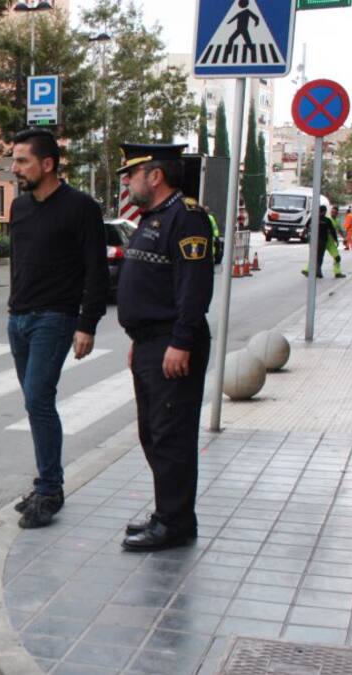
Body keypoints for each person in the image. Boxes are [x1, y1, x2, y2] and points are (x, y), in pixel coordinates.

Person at [6, 128, 108, 529]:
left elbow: (95, 270)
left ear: (47, 164)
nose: (15, 169)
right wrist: (12, 310)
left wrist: (87, 323)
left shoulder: (81, 207)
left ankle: (50, 489)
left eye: (22, 161)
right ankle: (46, 481)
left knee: (38, 399)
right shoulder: (20, 208)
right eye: (14, 160)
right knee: (35, 402)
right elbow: (20, 263)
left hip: (56, 317)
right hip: (19, 318)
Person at [115, 143, 214, 552]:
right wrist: (140, 342)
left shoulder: (186, 218)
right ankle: (168, 514)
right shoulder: (153, 218)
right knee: (154, 433)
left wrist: (180, 341)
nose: (126, 181)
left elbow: (193, 289)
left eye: (131, 174)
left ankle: (173, 523)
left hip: (173, 342)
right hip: (151, 343)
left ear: (154, 176)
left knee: (171, 435)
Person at [301, 205, 344, 279]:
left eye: (335, 212)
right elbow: (332, 231)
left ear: (337, 213)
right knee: (317, 257)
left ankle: (337, 272)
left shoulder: (334, 220)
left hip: (329, 243)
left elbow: (336, 231)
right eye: (332, 212)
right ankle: (311, 271)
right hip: (321, 241)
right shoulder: (327, 219)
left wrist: (338, 239)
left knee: (337, 257)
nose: (333, 213)